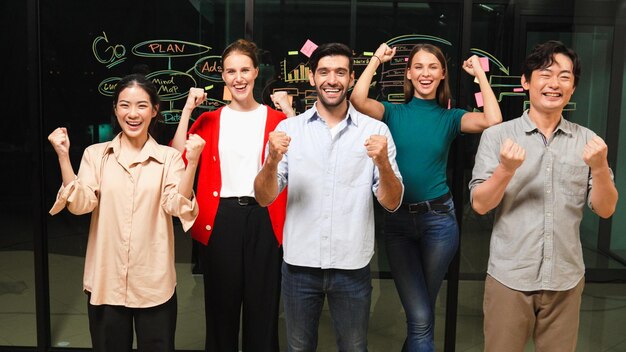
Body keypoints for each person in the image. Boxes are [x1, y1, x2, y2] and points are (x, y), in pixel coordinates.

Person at [349, 43, 502, 351]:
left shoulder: (450, 118)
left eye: (433, 67)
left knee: (422, 314)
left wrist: (480, 76)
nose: (425, 73)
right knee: (421, 314)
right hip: (398, 223)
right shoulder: (392, 112)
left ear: (442, 74)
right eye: (418, 67)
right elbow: (357, 98)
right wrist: (377, 59)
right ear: (409, 73)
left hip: (439, 223)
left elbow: (492, 120)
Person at [254, 42, 404, 352]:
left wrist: (384, 165)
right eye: (324, 72)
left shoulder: (375, 132)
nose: (331, 80)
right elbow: (264, 197)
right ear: (311, 77)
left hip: (351, 266)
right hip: (299, 266)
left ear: (351, 79)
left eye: (340, 72)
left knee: (353, 347)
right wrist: (270, 160)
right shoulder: (289, 130)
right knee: (298, 348)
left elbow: (392, 201)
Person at [469, 40, 618, 351]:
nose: (554, 84)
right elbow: (481, 204)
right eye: (545, 74)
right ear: (526, 82)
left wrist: (601, 167)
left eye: (564, 76)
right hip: (510, 277)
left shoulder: (589, 142)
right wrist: (505, 170)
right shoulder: (497, 136)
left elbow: (605, 209)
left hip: (566, 279)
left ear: (574, 87)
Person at [48, 73, 205, 352]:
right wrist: (63, 156)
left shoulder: (168, 159)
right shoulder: (95, 155)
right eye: (125, 105)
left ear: (155, 110)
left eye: (142, 105)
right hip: (106, 281)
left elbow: (176, 206)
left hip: (154, 283)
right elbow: (80, 204)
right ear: (115, 109)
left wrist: (191, 164)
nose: (133, 114)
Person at [171, 39, 294, 352]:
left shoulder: (277, 119)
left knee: (263, 311)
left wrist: (290, 110)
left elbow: (300, 161)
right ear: (223, 77)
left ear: (255, 72)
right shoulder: (211, 120)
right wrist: (187, 109)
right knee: (221, 311)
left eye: (244, 70)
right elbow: (175, 159)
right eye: (230, 71)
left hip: (265, 218)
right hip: (221, 219)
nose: (238, 77)